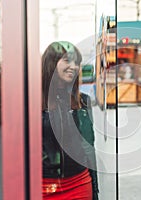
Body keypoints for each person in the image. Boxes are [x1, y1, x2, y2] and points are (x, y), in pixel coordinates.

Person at [42, 41, 99, 199]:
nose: (74, 66)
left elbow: (88, 148)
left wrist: (95, 191)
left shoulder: (82, 101)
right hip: (45, 186)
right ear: (52, 63)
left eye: (77, 62)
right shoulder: (33, 101)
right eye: (67, 60)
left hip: (79, 183)